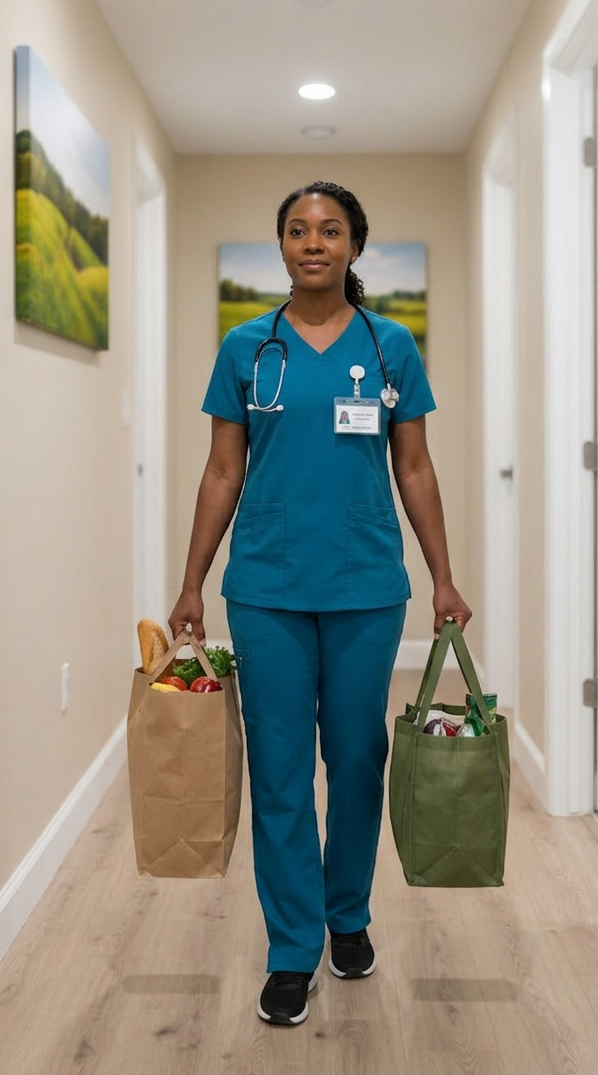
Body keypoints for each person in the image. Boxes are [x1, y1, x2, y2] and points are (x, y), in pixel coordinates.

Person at [168, 180, 471, 1026]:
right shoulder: (245, 347)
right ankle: (292, 948)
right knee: (280, 773)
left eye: (330, 230)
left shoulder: (390, 346)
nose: (314, 243)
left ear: (354, 246)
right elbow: (223, 470)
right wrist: (192, 581)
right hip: (263, 588)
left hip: (365, 587)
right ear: (282, 247)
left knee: (357, 758)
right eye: (299, 230)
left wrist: (444, 575)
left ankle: (349, 917)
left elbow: (414, 466)